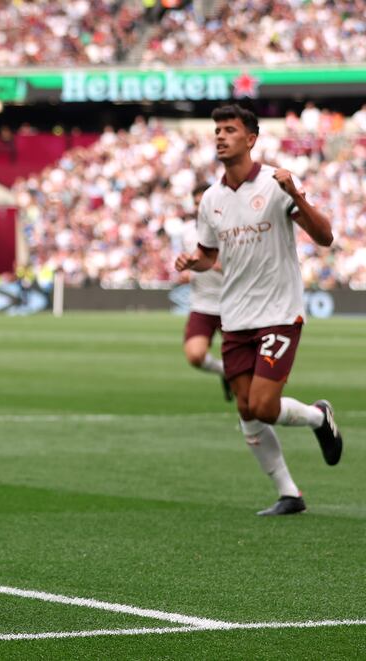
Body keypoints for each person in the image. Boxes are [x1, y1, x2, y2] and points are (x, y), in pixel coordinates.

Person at [175, 105, 343, 516]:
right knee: (247, 410)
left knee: (265, 406)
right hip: (235, 316)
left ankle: (320, 418)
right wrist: (192, 263)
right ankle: (290, 494)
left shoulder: (275, 183)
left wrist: (296, 195)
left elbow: (324, 237)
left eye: (229, 130)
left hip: (279, 312)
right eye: (216, 130)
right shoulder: (211, 199)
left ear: (250, 139)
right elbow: (209, 253)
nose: (220, 136)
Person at [178, 182, 231, 401]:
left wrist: (215, 265)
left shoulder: (231, 227)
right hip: (202, 303)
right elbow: (190, 263)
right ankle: (225, 372)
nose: (200, 208)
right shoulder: (188, 232)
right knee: (194, 355)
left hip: (233, 304)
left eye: (204, 203)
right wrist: (186, 272)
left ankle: (251, 420)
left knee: (245, 367)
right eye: (197, 203)